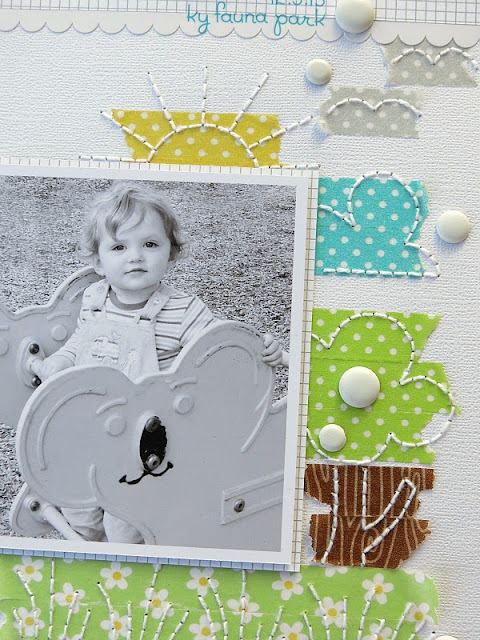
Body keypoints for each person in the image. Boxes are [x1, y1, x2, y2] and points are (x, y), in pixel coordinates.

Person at [37, 181, 284, 544]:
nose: (135, 257)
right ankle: (87, 549)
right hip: (94, 425)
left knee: (124, 523)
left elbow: (223, 348)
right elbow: (81, 343)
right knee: (78, 507)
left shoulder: (183, 310)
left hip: (146, 440)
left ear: (171, 252)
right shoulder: (94, 299)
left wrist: (263, 348)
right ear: (98, 262)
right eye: (119, 247)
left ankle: (132, 560)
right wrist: (60, 361)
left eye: (150, 244)